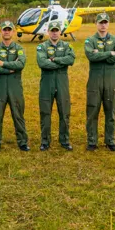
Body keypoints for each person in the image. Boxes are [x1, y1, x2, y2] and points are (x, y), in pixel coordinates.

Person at [84, 13, 115, 152]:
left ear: (108, 24)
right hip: (94, 80)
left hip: (110, 80)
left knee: (111, 111)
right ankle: (92, 141)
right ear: (96, 23)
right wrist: (110, 54)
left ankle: (110, 141)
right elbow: (91, 55)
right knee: (92, 111)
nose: (103, 25)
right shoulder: (90, 40)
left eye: (105, 22)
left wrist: (100, 55)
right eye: (100, 22)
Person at [0, 20, 29, 152]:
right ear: (0, 32)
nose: (6, 32)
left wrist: (3, 64)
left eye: (9, 29)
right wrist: (11, 68)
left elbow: (21, 64)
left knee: (18, 114)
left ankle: (22, 142)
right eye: (4, 29)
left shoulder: (19, 49)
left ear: (13, 32)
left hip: (15, 86)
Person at [36, 21, 75, 151]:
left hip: (62, 81)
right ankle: (45, 141)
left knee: (64, 111)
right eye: (52, 30)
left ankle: (64, 140)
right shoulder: (42, 47)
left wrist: (54, 59)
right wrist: (61, 63)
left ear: (60, 31)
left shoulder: (66, 46)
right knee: (45, 111)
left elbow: (71, 60)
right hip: (47, 82)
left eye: (56, 30)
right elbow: (42, 63)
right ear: (48, 32)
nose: (54, 32)